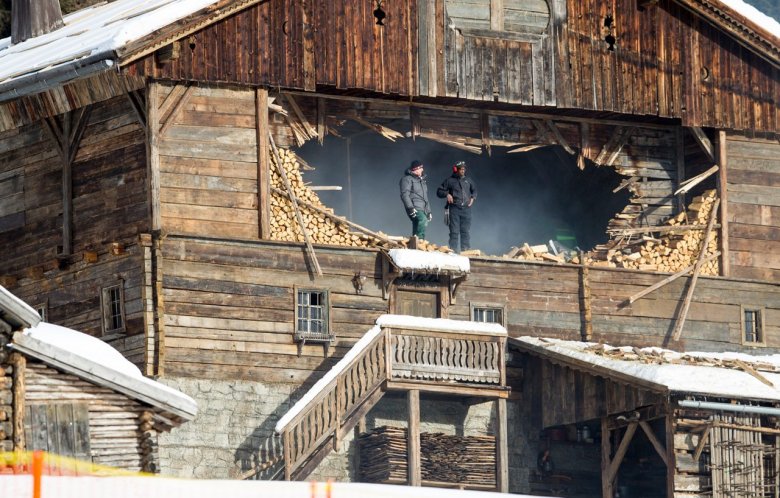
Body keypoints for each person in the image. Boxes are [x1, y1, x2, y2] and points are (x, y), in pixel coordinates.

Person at [437, 161, 477, 253]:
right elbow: (439, 191)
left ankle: (465, 250)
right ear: (456, 169)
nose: (463, 170)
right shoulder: (449, 181)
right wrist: (447, 194)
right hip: (454, 209)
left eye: (464, 169)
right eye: (461, 169)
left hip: (466, 210)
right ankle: (453, 250)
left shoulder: (468, 180)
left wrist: (473, 197)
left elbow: (474, 190)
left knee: (465, 231)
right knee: (454, 232)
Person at [399, 160, 432, 239]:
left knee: (417, 223)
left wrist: (428, 211)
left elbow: (425, 198)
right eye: (421, 168)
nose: (422, 170)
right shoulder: (407, 179)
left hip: (423, 208)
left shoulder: (422, 181)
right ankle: (420, 241)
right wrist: (410, 208)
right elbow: (404, 194)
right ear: (416, 169)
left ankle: (415, 244)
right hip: (414, 207)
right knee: (423, 220)